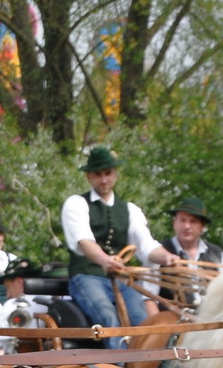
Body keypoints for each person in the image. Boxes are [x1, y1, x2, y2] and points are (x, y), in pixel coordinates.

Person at [60, 145, 163, 347]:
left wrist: (170, 258)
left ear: (115, 175)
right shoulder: (76, 204)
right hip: (87, 276)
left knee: (141, 320)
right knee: (108, 317)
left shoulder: (130, 210)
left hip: (122, 279)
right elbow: (85, 241)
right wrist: (105, 261)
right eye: (98, 174)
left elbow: (147, 246)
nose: (104, 179)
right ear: (89, 176)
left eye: (108, 173)